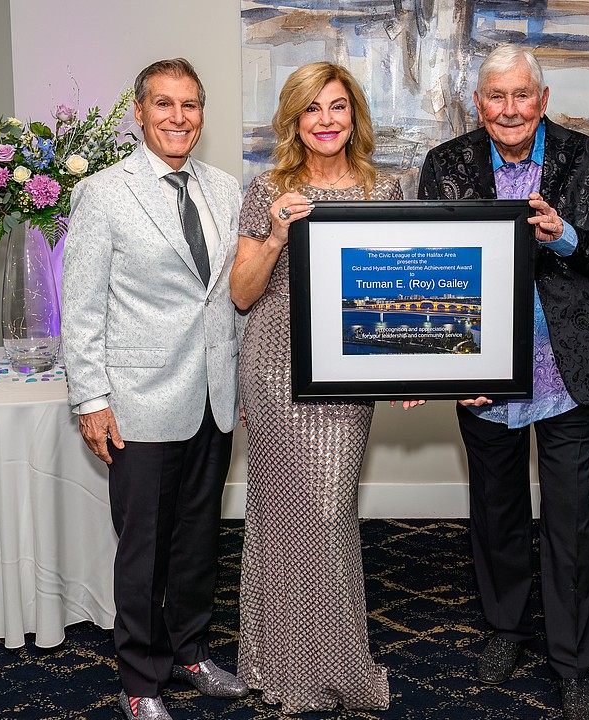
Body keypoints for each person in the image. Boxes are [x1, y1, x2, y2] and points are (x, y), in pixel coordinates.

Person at [417, 45, 589, 720]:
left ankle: (573, 664)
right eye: (496, 96)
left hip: (567, 371)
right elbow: (433, 273)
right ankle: (505, 629)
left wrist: (564, 235)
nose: (509, 109)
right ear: (477, 103)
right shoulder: (447, 164)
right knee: (497, 513)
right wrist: (455, 369)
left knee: (570, 523)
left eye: (522, 96)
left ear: (542, 99)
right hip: (484, 376)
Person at [61, 58, 248, 720]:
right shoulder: (104, 193)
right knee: (143, 552)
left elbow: (227, 297)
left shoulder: (225, 189)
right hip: (139, 403)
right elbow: (81, 308)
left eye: (189, 104)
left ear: (202, 113)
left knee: (198, 541)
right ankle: (141, 681)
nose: (178, 117)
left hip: (213, 398)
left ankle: (190, 651)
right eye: (164, 104)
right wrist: (90, 400)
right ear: (139, 112)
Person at [229, 61, 417, 714]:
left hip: (349, 365)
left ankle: (331, 664)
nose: (326, 120)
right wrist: (277, 233)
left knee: (329, 513)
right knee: (281, 514)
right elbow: (242, 293)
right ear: (295, 120)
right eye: (312, 108)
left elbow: (399, 288)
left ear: (354, 115)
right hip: (276, 364)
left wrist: (407, 365)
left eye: (337, 106)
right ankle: (280, 665)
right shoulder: (267, 189)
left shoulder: (385, 190)